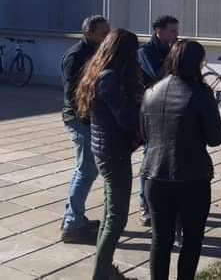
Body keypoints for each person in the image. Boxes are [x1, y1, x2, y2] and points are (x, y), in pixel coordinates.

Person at [141, 40, 221, 280]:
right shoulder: (201, 93)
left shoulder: (150, 91)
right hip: (192, 176)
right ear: (197, 63)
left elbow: (144, 133)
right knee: (192, 238)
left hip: (155, 174)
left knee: (160, 239)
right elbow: (216, 137)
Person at [76, 28, 143, 280]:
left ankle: (103, 269)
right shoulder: (110, 78)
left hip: (106, 150)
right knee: (117, 217)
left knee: (109, 213)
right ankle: (101, 273)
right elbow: (125, 118)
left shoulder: (99, 72)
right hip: (113, 153)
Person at [60, 15, 111, 244]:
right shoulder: (76, 55)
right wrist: (88, 117)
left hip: (89, 119)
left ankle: (72, 217)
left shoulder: (97, 52)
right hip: (80, 120)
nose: (107, 36)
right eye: (103, 32)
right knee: (87, 169)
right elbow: (73, 95)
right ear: (88, 32)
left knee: (84, 169)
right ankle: (72, 225)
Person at [137, 15, 179, 226]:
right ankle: (145, 204)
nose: (176, 35)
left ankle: (168, 201)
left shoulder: (172, 50)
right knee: (151, 156)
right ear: (158, 31)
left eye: (176, 31)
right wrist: (175, 58)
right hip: (152, 111)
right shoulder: (146, 52)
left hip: (172, 109)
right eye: (172, 31)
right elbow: (159, 76)